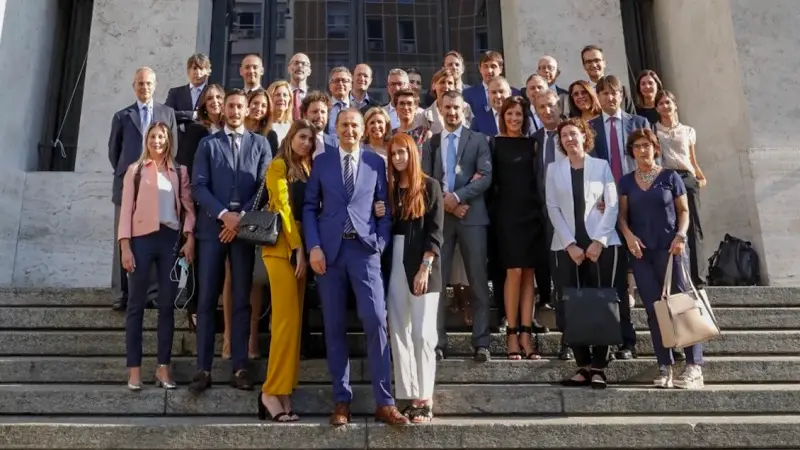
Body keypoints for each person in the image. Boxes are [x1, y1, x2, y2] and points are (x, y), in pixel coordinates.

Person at [302, 108, 409, 426]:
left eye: (354, 125)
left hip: (365, 252)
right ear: (336, 129)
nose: (349, 130)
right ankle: (341, 400)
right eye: (344, 125)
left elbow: (385, 210)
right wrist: (314, 247)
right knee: (333, 326)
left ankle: (384, 401)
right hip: (330, 255)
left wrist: (380, 242)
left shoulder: (376, 162)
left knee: (376, 320)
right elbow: (309, 207)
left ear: (364, 130)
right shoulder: (322, 162)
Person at [189, 89, 272, 393]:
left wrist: (241, 219)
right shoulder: (207, 145)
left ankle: (240, 365)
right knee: (208, 298)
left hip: (245, 233)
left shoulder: (261, 144)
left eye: (241, 106)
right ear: (222, 110)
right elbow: (198, 187)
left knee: (240, 300)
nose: (236, 110)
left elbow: (264, 186)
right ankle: (203, 368)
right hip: (213, 230)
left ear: (248, 110)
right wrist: (225, 215)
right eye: (231, 106)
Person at [617, 128, 703, 389]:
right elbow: (622, 217)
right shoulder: (626, 182)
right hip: (641, 253)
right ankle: (665, 365)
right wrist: (629, 236)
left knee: (682, 305)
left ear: (656, 148)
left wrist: (680, 235)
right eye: (637, 146)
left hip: (671, 249)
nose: (643, 150)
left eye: (647, 145)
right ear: (631, 151)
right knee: (655, 311)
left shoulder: (670, 177)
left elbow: (684, 211)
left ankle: (693, 366)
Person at [118, 121, 195, 390]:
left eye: (162, 136)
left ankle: (163, 368)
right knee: (136, 306)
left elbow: (188, 209)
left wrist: (189, 236)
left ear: (168, 140)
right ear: (147, 140)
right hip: (140, 240)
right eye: (153, 136)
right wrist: (125, 247)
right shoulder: (135, 170)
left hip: (169, 240)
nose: (157, 141)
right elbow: (126, 210)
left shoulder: (179, 171)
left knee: (166, 307)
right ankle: (135, 370)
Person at [546, 118, 622, 389]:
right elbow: (552, 208)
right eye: (564, 135)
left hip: (601, 247)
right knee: (570, 305)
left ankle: (600, 366)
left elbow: (611, 205)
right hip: (567, 248)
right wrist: (570, 244)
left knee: (602, 303)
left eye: (574, 134)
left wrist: (598, 242)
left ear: (584, 136)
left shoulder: (600, 166)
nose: (569, 139)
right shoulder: (554, 169)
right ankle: (583, 365)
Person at [421, 90, 493, 362]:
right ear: (439, 109)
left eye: (456, 108)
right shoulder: (433, 143)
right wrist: (447, 202)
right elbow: (426, 179)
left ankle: (482, 341)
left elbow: (485, 176)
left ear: (464, 109)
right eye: (446, 108)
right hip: (442, 219)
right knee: (437, 281)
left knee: (477, 279)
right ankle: (438, 342)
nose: (451, 112)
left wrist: (459, 197)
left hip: (472, 217)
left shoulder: (478, 140)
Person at [385, 133, 444, 423]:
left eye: (402, 153)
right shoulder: (390, 190)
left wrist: (425, 267)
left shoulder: (430, 186)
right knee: (399, 330)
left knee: (422, 334)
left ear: (412, 153)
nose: (397, 158)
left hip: (423, 263)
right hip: (394, 261)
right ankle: (408, 394)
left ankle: (425, 397)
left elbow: (435, 232)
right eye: (393, 153)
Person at [257, 120, 314, 422]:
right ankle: (269, 392)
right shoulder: (278, 165)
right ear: (291, 137)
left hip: (299, 250)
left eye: (310, 138)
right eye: (302, 137)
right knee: (283, 323)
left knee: (292, 325)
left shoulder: (307, 169)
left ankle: (285, 390)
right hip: (282, 250)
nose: (306, 142)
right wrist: (298, 249)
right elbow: (281, 206)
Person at [108, 67, 178, 312]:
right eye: (139, 83)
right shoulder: (122, 116)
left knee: (155, 236)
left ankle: (154, 293)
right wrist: (130, 174)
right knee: (123, 236)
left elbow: (173, 150)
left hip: (158, 185)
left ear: (155, 85)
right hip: (128, 184)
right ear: (133, 86)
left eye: (148, 83)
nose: (144, 87)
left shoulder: (167, 113)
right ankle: (121, 293)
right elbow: (114, 153)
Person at [489, 96, 546, 360]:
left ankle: (526, 334)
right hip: (506, 215)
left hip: (531, 214)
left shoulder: (533, 144)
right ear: (503, 116)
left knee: (528, 274)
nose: (514, 119)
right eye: (510, 114)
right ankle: (511, 334)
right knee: (513, 271)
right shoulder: (494, 143)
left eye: (519, 114)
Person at [655, 90, 707, 286]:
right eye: (660, 104)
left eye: (668, 103)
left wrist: (699, 178)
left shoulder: (688, 131)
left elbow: (692, 159)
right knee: (672, 227)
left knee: (693, 227)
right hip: (666, 177)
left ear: (675, 105)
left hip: (687, 177)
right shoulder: (654, 129)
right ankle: (678, 274)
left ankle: (698, 277)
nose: (665, 106)